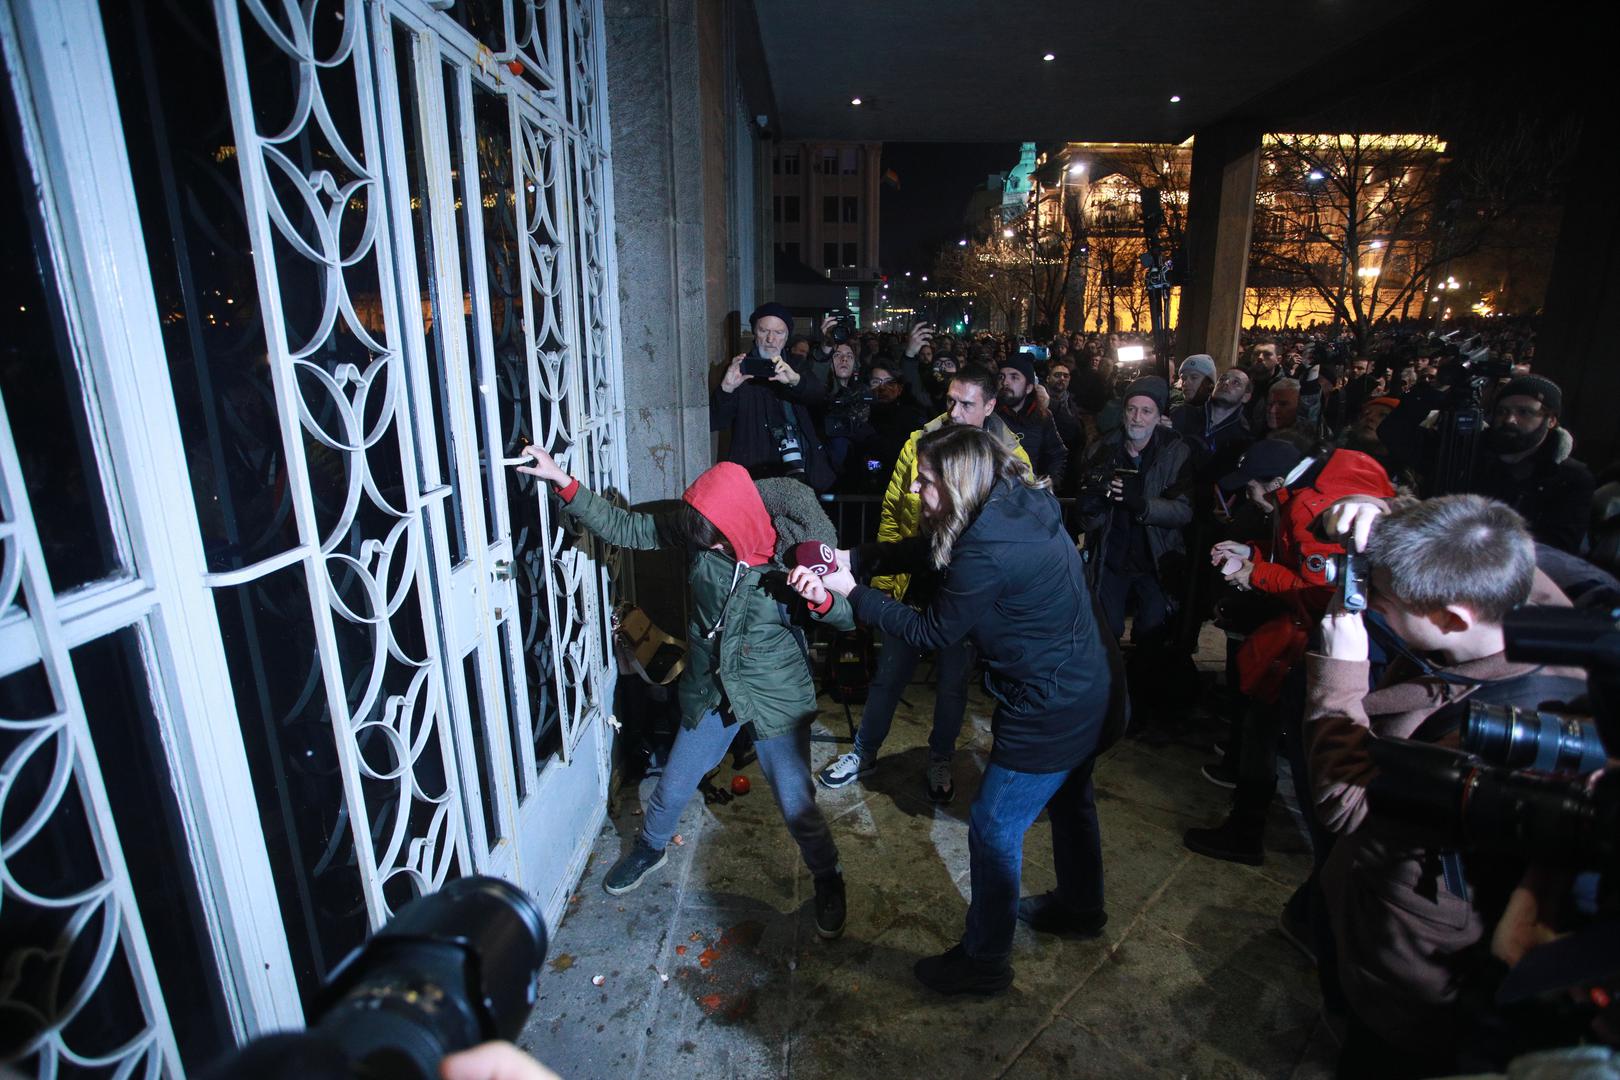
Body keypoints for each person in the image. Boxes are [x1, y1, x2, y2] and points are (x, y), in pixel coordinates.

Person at [789, 424, 1117, 995]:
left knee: (991, 826)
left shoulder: (988, 549)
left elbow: (934, 631)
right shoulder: (1014, 500)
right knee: (1071, 800)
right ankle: (1081, 907)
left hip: (1052, 701)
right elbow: (933, 548)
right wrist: (858, 557)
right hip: (1089, 680)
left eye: (927, 482)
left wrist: (851, 592)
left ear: (960, 483)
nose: (918, 492)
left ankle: (985, 961)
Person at [514, 447, 852, 937]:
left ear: (740, 523)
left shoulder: (792, 554)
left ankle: (828, 877)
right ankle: (650, 849)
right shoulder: (703, 531)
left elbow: (844, 615)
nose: (710, 549)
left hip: (772, 692)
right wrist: (562, 481)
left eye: (716, 542)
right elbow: (630, 528)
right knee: (673, 784)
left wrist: (819, 597)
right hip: (711, 689)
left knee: (797, 803)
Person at [1306, 494, 1585, 1075]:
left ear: (1452, 618)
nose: (1369, 603)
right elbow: (1470, 542)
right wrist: (1386, 512)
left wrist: (1338, 679)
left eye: (1381, 597)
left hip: (1416, 974)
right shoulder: (1517, 588)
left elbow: (1347, 805)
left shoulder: (1513, 735)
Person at [817, 364, 1029, 801]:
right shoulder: (919, 443)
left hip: (968, 597)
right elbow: (895, 513)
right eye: (950, 400)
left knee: (952, 684)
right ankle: (864, 752)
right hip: (915, 583)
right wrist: (887, 583)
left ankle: (940, 759)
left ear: (990, 406)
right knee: (889, 675)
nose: (953, 411)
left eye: (966, 403)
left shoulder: (1011, 460)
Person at [1074, 376, 1195, 736]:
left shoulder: (1176, 451)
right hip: (1112, 558)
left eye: (1146, 411)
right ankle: (1107, 707)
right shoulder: (1103, 447)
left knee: (1151, 636)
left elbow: (1183, 511)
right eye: (1131, 409)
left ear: (1160, 416)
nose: (1137, 418)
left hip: (1155, 560)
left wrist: (1142, 505)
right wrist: (1092, 503)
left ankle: (1142, 709)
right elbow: (1088, 517)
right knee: (1106, 633)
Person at [712, 302, 835, 491]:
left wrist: (796, 381)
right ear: (754, 332)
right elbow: (716, 422)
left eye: (778, 333)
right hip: (753, 475)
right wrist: (726, 388)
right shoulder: (737, 369)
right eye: (764, 331)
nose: (770, 339)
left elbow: (818, 397)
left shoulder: (797, 365)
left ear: (787, 337)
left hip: (799, 471)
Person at [996, 352, 1068, 486]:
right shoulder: (990, 415)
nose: (1005, 382)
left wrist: (1049, 483)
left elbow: (1057, 454)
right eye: (1002, 376)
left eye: (1014, 377)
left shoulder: (1043, 417)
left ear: (1029, 387)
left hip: (1028, 495)